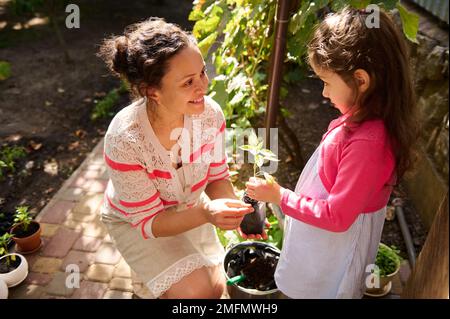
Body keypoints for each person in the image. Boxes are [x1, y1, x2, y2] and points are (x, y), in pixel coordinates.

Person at [245, 7, 418, 298]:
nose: (323, 94)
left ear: (361, 80)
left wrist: (280, 197)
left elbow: (337, 217)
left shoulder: (369, 144)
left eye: (326, 83)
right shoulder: (361, 117)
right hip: (321, 239)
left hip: (333, 249)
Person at [98, 17, 253, 299]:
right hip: (138, 221)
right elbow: (150, 222)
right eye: (188, 82)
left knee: (218, 286)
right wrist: (206, 213)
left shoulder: (210, 114)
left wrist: (237, 211)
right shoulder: (124, 139)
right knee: (198, 292)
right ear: (152, 91)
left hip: (187, 207)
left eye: (203, 73)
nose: (204, 86)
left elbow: (217, 176)